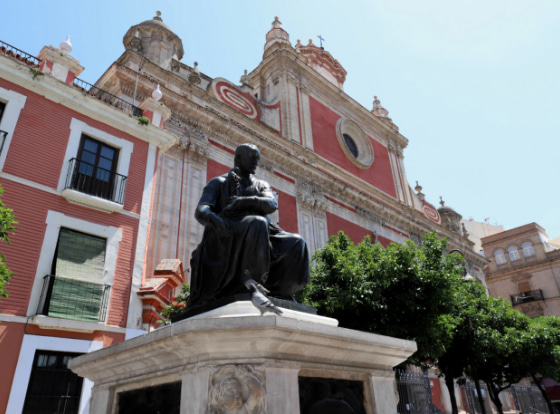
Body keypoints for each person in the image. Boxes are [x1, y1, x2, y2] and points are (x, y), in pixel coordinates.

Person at [187, 143, 309, 311]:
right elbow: (202, 209)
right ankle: (251, 286)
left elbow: (272, 203)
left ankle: (282, 291)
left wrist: (246, 201)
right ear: (238, 158)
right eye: (251, 158)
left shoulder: (261, 185)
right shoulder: (219, 183)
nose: (255, 162)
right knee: (256, 222)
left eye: (257, 159)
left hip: (263, 231)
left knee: (297, 242)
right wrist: (215, 220)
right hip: (227, 231)